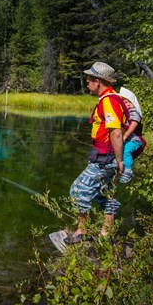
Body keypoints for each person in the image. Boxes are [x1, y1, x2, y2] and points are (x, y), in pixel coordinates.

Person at [65, 61, 126, 244]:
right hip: (107, 156)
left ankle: (81, 231)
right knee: (104, 194)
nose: (87, 83)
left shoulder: (108, 101)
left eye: (89, 80)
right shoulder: (113, 98)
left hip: (105, 157)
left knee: (78, 190)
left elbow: (115, 132)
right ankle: (107, 234)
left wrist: (119, 160)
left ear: (98, 81)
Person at [118, 87, 146, 183]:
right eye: (125, 103)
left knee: (126, 151)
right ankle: (123, 169)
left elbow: (134, 124)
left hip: (135, 140)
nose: (127, 105)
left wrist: (125, 136)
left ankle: (128, 171)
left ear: (133, 103)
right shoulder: (127, 114)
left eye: (128, 103)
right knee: (121, 152)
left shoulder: (134, 113)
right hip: (130, 139)